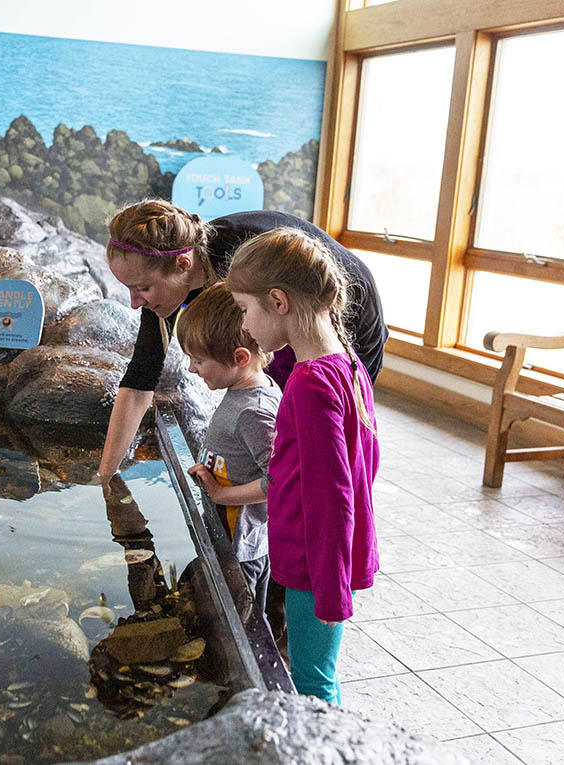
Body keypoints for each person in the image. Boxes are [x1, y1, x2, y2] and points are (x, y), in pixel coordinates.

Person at [96, 200, 385, 482]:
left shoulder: (245, 257)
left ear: (183, 264)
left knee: (318, 445)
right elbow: (140, 380)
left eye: (142, 288)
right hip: (282, 321)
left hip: (347, 318)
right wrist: (106, 476)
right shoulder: (169, 275)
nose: (134, 303)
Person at [225, 226, 380, 705]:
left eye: (246, 310)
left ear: (278, 301)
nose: (245, 326)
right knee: (315, 672)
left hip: (315, 570)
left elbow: (331, 497)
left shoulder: (309, 385)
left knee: (314, 686)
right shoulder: (346, 363)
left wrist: (332, 592)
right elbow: (364, 466)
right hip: (329, 559)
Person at [177, 283, 279, 623]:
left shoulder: (254, 411)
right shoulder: (244, 391)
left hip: (242, 550)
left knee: (241, 627)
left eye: (199, 360)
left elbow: (279, 480)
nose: (192, 368)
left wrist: (223, 493)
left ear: (239, 358)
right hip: (228, 539)